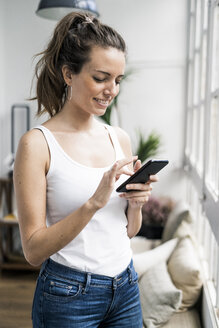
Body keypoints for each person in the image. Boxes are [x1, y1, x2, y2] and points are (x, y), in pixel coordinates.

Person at [13, 12, 158, 328]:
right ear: (68, 74)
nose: (111, 90)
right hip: (67, 296)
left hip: (125, 287)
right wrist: (93, 202)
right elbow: (33, 251)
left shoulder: (118, 137)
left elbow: (128, 231)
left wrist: (135, 203)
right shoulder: (37, 145)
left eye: (117, 80)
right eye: (101, 77)